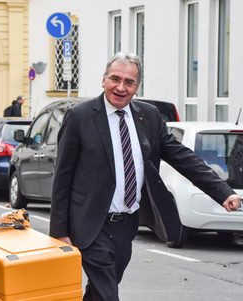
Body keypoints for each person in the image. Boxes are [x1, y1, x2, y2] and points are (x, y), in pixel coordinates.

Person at [49, 52, 241, 301]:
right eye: (115, 79)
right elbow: (62, 177)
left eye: (129, 82)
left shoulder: (148, 116)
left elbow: (181, 156)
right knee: (108, 294)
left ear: (137, 86)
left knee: (100, 292)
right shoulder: (80, 117)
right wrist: (59, 231)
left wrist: (222, 191)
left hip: (127, 224)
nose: (121, 87)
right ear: (104, 79)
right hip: (90, 224)